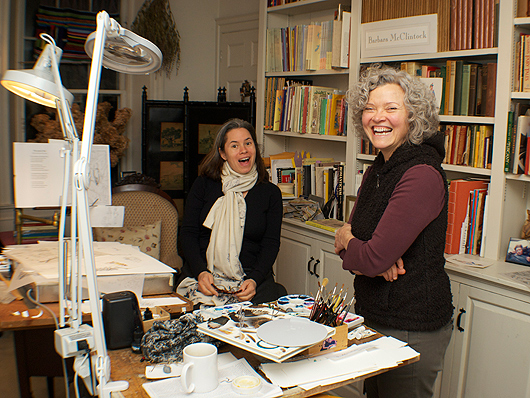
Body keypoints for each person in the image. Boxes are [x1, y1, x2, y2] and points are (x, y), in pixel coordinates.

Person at [334, 65, 454, 398]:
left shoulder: (422, 174)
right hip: (376, 317)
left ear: (413, 116)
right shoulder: (380, 166)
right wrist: (363, 249)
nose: (378, 117)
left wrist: (360, 248)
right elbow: (353, 240)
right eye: (370, 108)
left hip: (411, 327)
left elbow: (365, 252)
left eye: (391, 108)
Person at [176, 118, 285, 307]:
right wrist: (201, 272)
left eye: (248, 143)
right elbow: (188, 234)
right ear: (223, 153)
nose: (243, 150)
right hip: (205, 277)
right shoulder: (203, 185)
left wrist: (254, 280)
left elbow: (271, 244)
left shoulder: (270, 193)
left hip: (251, 281)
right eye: (234, 146)